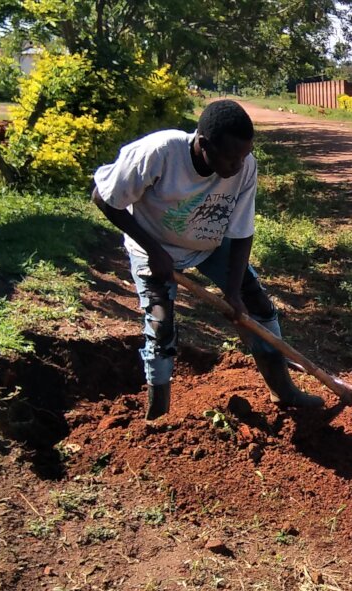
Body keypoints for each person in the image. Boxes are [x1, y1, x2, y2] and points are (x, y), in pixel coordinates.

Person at [92, 99, 323, 419]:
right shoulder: (159, 153)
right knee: (161, 327)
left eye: (243, 156)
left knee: (257, 306)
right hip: (153, 249)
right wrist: (153, 250)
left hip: (209, 245)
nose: (238, 165)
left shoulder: (244, 166)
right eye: (230, 157)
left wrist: (231, 292)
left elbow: (242, 233)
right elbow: (103, 197)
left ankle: (284, 390)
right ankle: (157, 416)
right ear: (203, 144)